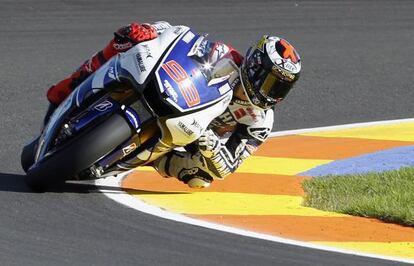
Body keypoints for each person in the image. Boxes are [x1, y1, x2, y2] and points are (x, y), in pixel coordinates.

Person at [45, 21, 301, 188]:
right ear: (255, 66)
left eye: (281, 88)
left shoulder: (260, 122)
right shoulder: (224, 55)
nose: (272, 93)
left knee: (201, 180)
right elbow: (180, 37)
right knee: (130, 37)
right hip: (175, 94)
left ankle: (139, 158)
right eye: (270, 82)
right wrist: (153, 31)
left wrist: (211, 147)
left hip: (189, 137)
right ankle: (71, 85)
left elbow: (230, 165)